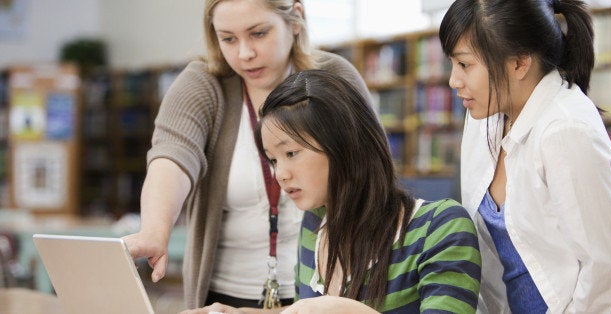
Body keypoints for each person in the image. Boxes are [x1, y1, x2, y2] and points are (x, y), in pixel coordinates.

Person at [122, 0, 373, 310]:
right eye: (228, 39)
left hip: (326, 296)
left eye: (258, 33)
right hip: (224, 298)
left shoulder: (333, 76)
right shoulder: (203, 84)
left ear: (295, 19)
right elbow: (172, 156)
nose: (244, 53)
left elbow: (372, 171)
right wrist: (154, 231)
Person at [185, 69, 481, 314]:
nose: (280, 174)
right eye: (272, 160)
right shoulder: (315, 222)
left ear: (343, 144)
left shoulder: (441, 227)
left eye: (291, 153)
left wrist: (347, 310)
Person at [439, 0, 611, 312]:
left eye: (464, 65)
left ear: (519, 63)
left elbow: (607, 268)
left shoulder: (565, 131)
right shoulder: (484, 117)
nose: (453, 81)